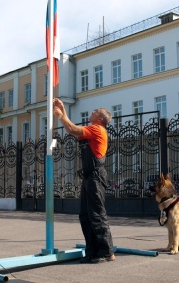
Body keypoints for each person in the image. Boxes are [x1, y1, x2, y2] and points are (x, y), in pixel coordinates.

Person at [53, 98, 115, 264]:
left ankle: (106, 251)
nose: (92, 111)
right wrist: (63, 110)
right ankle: (92, 250)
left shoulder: (97, 129)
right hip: (89, 176)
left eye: (95, 111)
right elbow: (73, 130)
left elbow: (72, 128)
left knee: (96, 214)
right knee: (85, 215)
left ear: (100, 119)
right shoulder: (91, 129)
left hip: (96, 175)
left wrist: (60, 115)